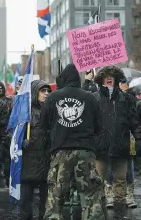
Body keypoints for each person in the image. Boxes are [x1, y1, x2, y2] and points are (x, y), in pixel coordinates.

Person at [40, 63, 105, 220]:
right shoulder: (90, 98)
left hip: (60, 153)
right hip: (85, 152)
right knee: (90, 198)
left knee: (55, 198)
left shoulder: (53, 97)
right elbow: (98, 126)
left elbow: (44, 125)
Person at [93, 66, 141, 219]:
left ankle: (119, 215)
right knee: (98, 182)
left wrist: (138, 139)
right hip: (100, 149)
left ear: (116, 79)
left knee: (120, 182)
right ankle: (100, 214)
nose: (109, 77)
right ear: (101, 79)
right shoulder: (94, 98)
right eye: (106, 75)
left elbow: (134, 122)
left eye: (112, 75)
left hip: (121, 147)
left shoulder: (126, 98)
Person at [19, 80, 51, 220]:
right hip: (28, 163)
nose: (46, 94)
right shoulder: (25, 112)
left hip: (46, 162)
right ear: (34, 92)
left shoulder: (51, 110)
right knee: (25, 204)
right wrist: (20, 142)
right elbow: (12, 134)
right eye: (42, 91)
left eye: (47, 91)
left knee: (46, 204)